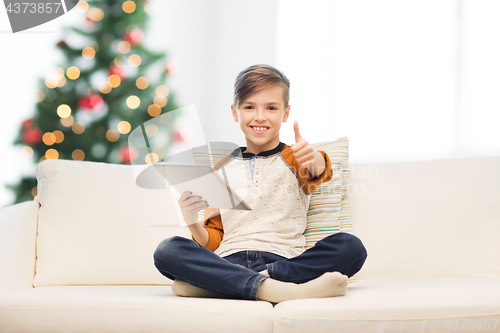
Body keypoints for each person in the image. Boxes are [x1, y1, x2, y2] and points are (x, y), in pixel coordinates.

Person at [153, 64, 367, 303]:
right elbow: (213, 240)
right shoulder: (219, 170)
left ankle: (225, 285)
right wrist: (192, 223)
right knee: (167, 250)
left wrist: (314, 159)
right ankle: (283, 290)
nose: (260, 116)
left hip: (284, 262)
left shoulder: (294, 158)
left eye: (271, 108)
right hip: (229, 259)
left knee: (350, 247)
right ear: (235, 112)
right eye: (249, 107)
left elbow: (318, 172)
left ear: (285, 113)